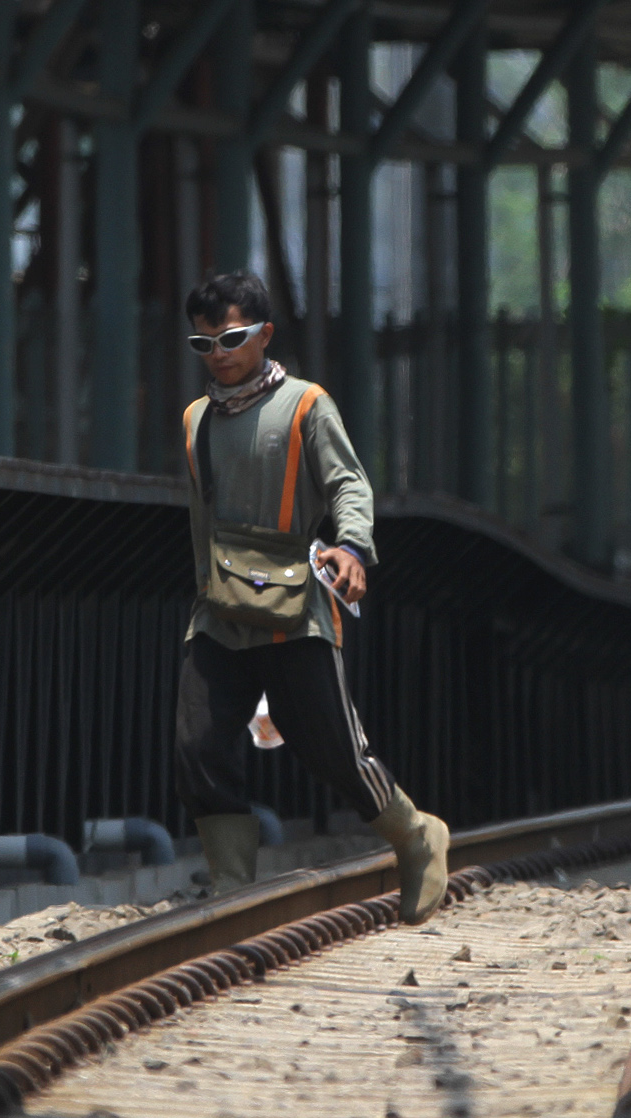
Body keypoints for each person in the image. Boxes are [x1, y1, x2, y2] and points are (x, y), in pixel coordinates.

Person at [173, 270, 451, 925]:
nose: (220, 353)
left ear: (265, 334)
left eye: (233, 337)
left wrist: (352, 548)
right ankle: (231, 890)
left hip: (294, 613)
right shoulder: (194, 421)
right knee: (199, 745)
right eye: (204, 343)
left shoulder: (306, 405)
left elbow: (349, 484)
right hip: (216, 613)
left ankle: (416, 836)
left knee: (332, 748)